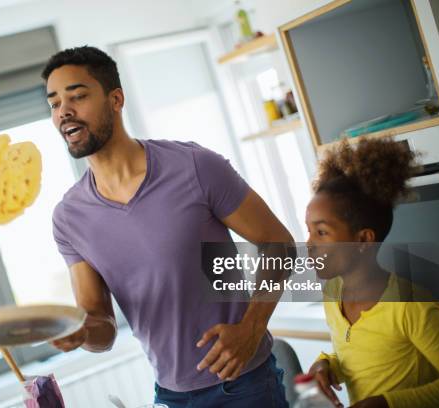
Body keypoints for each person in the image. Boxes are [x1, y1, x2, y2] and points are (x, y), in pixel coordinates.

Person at [43, 46, 293, 407]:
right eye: (53, 103)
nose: (64, 111)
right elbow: (102, 329)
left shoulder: (195, 166)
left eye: (77, 96)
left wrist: (251, 329)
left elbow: (279, 243)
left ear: (116, 99)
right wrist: (78, 332)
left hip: (245, 386)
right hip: (171, 396)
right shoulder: (69, 218)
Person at [305, 138, 439, 408]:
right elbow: (354, 356)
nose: (309, 244)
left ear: (363, 240)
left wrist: (387, 403)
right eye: (309, 230)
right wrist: (325, 364)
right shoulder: (333, 295)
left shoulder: (411, 307)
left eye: (322, 232)